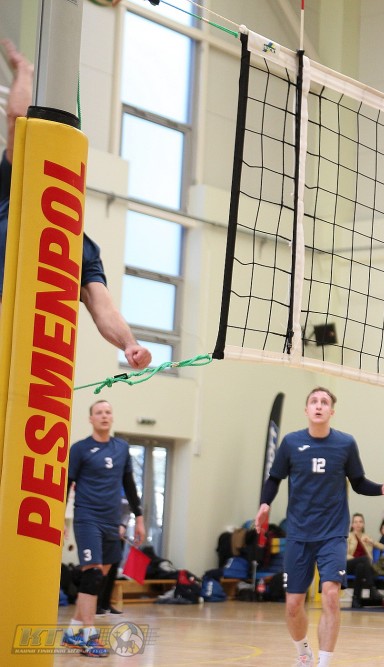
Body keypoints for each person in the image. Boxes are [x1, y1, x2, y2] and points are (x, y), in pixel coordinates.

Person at [0, 39, 150, 369]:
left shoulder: (81, 249)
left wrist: (130, 344)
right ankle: (25, 69)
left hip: (25, 341)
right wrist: (23, 70)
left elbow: (103, 308)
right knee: (18, 126)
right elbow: (15, 119)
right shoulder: (14, 197)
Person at [254, 387, 384, 667]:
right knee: (293, 605)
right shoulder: (291, 443)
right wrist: (265, 504)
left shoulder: (345, 444)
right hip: (298, 534)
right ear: (306, 410)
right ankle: (303, 654)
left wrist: (381, 489)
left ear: (331, 411)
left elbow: (358, 482)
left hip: (332, 534)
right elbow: (274, 479)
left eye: (324, 402)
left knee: (332, 596)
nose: (319, 405)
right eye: (314, 401)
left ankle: (324, 662)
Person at [62, 400, 145, 658]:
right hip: (87, 518)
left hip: (112, 521)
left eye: (108, 412)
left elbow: (129, 485)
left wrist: (139, 518)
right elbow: (67, 483)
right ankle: (89, 636)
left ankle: (72, 631)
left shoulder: (122, 448)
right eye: (98, 412)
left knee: (99, 578)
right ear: (91, 419)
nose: (104, 416)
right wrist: (58, 519)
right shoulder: (80, 449)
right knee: (93, 575)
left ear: (112, 417)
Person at [346, 513, 384, 607]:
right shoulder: (348, 536)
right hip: (349, 564)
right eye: (355, 522)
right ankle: (372, 589)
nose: (358, 524)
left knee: (360, 567)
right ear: (352, 524)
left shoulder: (367, 537)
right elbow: (344, 554)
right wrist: (358, 559)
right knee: (364, 560)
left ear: (363, 524)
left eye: (360, 522)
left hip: (363, 567)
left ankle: (356, 599)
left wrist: (372, 542)